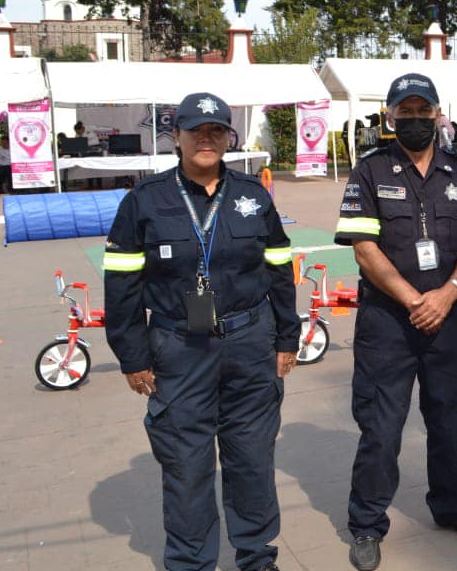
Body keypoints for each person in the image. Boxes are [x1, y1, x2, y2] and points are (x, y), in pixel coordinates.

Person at [102, 92, 298, 571]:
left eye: (217, 131)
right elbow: (121, 284)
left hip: (251, 342)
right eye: (196, 131)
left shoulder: (253, 196)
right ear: (177, 138)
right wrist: (132, 357)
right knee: (186, 465)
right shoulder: (144, 201)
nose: (206, 140)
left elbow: (278, 267)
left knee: (251, 458)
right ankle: (190, 562)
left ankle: (256, 556)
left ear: (229, 138)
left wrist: (287, 339)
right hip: (179, 347)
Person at [335, 73, 457, 571]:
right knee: (381, 428)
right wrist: (414, 300)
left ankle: (452, 509)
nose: (413, 119)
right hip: (389, 322)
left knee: (448, 420)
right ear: (389, 117)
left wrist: (449, 293)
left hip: (448, 318)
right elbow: (364, 250)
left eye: (422, 111)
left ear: (437, 114)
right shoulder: (369, 171)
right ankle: (366, 524)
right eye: (403, 112)